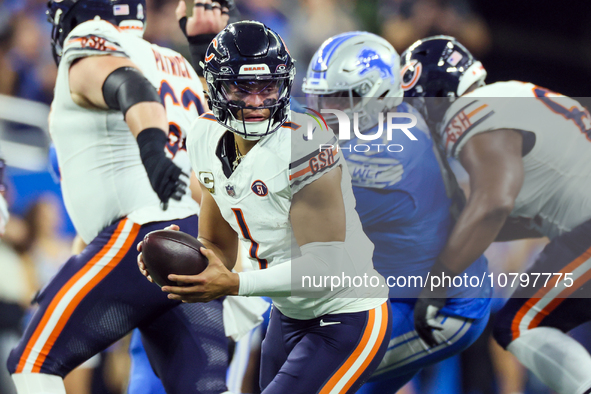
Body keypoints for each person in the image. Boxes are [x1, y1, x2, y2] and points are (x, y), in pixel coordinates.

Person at [138, 21, 392, 394]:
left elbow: (327, 268)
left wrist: (237, 283)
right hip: (288, 315)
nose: (256, 102)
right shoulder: (205, 135)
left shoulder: (305, 142)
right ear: (216, 87)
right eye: (242, 87)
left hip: (347, 314)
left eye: (267, 87)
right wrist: (182, 265)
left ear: (284, 85)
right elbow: (218, 248)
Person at [6, 1, 231, 393]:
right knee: (202, 388)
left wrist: (151, 148)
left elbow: (129, 84)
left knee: (32, 362)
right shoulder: (174, 62)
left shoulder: (92, 41)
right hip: (195, 240)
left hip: (141, 233)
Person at [301, 31, 491, 393]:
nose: (323, 109)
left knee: (313, 371)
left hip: (445, 304)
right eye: (319, 96)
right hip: (399, 289)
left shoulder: (389, 159)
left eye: (338, 98)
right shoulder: (379, 126)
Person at [402, 35, 591, 394]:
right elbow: (508, 217)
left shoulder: (471, 112)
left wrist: (437, 283)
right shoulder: (512, 96)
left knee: (522, 326)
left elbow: (494, 202)